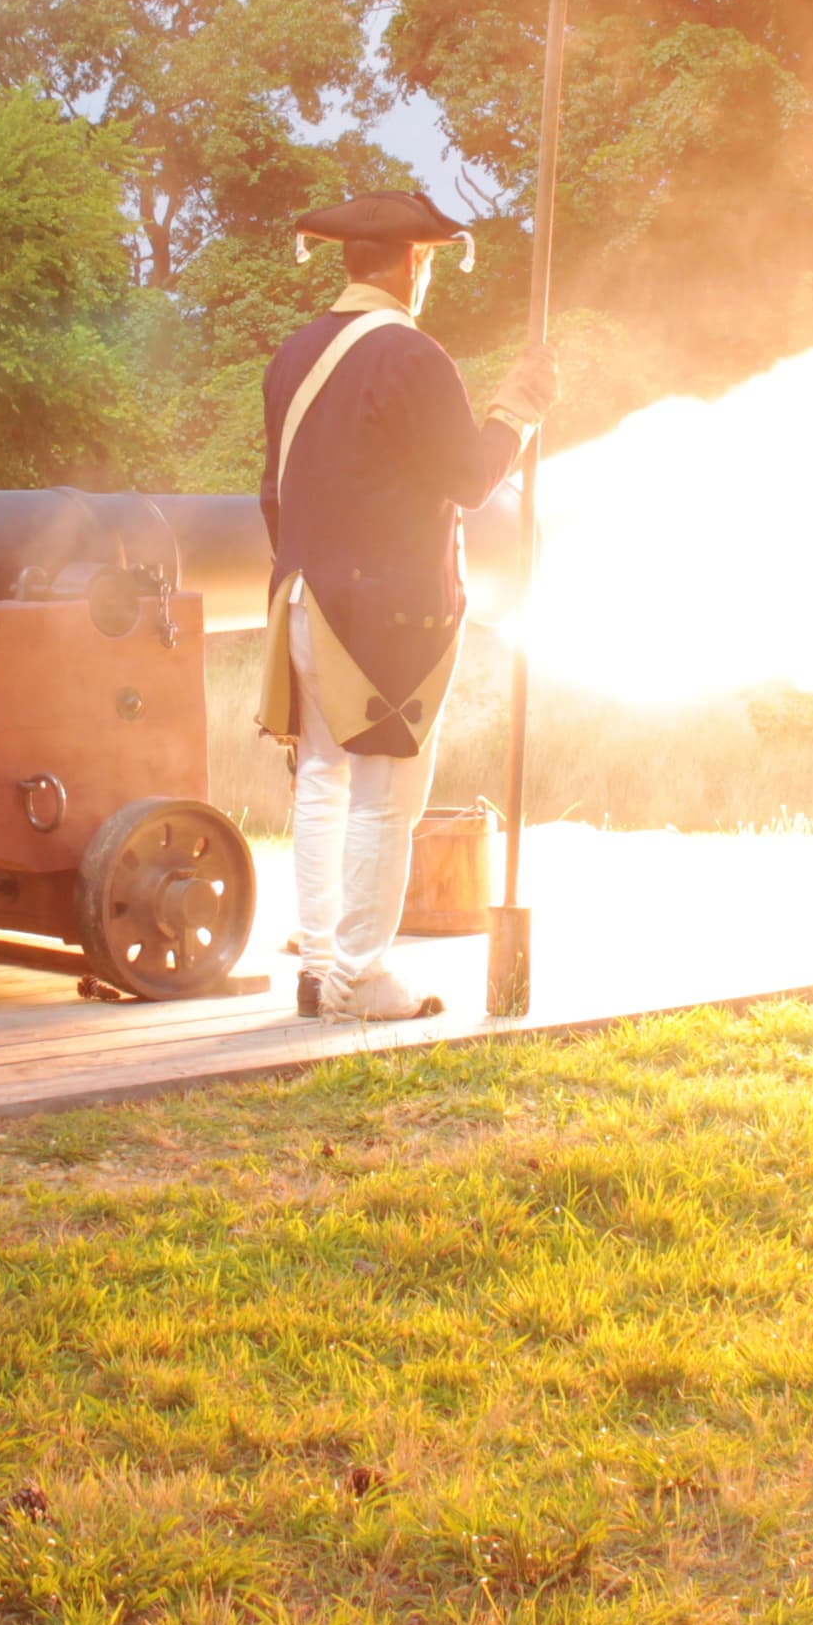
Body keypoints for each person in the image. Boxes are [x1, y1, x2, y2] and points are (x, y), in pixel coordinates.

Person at [258, 191, 557, 1022]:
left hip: (302, 595)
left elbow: (273, 494)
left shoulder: (293, 353)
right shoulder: (412, 354)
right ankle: (359, 977)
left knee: (322, 778)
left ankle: (321, 969)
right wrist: (517, 412)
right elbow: (469, 478)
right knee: (385, 791)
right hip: (386, 613)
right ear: (413, 263)